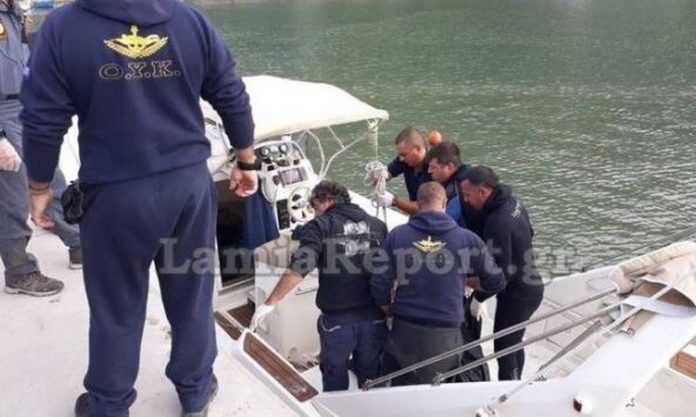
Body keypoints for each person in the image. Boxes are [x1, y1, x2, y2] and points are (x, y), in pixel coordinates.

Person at [20, 1, 259, 416]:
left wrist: (39, 186)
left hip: (115, 195)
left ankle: (109, 404)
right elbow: (230, 92)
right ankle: (195, 391)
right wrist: (246, 159)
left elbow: (42, 119)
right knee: (192, 294)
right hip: (187, 187)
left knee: (116, 307)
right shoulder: (188, 20)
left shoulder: (62, 28)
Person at [251, 180, 388, 391]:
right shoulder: (378, 226)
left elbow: (301, 266)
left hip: (337, 320)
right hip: (374, 317)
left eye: (314, 207)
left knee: (334, 377)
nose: (314, 214)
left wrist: (270, 303)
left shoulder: (320, 226)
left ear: (327, 200)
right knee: (371, 377)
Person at [371, 182, 505, 385]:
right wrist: (465, 281)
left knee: (402, 384)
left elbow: (379, 281)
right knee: (439, 385)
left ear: (419, 204)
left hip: (405, 327)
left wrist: (386, 307)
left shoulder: (398, 235)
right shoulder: (468, 239)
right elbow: (496, 281)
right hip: (447, 331)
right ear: (444, 204)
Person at [1, 0, 80, 298]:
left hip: (22, 105)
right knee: (12, 198)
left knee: (49, 179)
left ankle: (79, 243)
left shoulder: (12, 11)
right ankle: (19, 272)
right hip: (2, 114)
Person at [458, 166, 544, 381]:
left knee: (504, 347)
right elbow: (530, 232)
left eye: (468, 195)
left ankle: (508, 390)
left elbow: (500, 276)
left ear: (483, 191)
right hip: (530, 279)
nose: (466, 200)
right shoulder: (513, 201)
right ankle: (515, 383)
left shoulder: (498, 221)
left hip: (519, 294)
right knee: (514, 342)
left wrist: (478, 296)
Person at [374, 127, 430, 215]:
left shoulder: (434, 169)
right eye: (400, 155)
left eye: (404, 155)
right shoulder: (405, 160)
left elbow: (425, 208)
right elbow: (388, 173)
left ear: (418, 149)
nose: (401, 159)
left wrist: (394, 201)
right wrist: (379, 176)